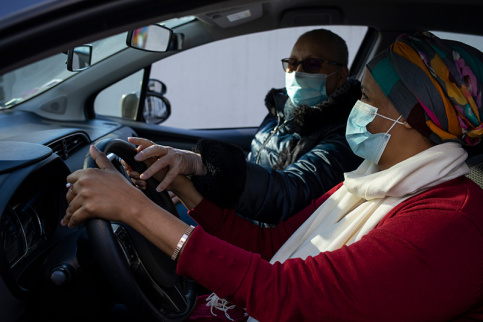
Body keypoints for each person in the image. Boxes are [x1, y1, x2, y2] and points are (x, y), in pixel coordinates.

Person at [62, 32, 483, 321]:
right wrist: (186, 190)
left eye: (366, 97)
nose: (356, 105)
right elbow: (271, 245)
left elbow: (291, 296)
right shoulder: (373, 179)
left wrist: (137, 212)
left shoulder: (452, 222)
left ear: (411, 117)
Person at [127, 28, 362, 225]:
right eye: (292, 63)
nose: (297, 72)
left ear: (341, 76)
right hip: (240, 212)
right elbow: (254, 165)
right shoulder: (280, 109)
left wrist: (202, 165)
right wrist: (191, 184)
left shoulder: (346, 135)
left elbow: (290, 193)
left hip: (266, 241)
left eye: (312, 64)